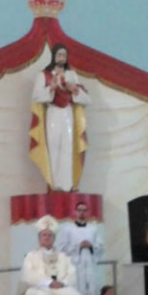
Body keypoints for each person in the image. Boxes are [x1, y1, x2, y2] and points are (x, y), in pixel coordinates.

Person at [29, 43, 91, 192]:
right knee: (54, 147)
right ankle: (54, 185)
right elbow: (36, 97)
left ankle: (67, 185)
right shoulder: (44, 75)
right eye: (59, 55)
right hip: (53, 112)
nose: (61, 58)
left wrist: (74, 90)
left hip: (68, 113)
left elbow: (88, 100)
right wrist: (51, 88)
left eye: (64, 55)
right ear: (53, 56)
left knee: (67, 148)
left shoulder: (72, 75)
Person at [56, 201, 105, 295]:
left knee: (93, 293)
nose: (82, 213)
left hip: (90, 265)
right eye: (79, 210)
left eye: (84, 210)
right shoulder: (67, 229)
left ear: (88, 212)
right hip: (76, 266)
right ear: (75, 212)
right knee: (78, 293)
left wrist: (91, 246)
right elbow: (61, 248)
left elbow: (101, 247)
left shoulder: (94, 229)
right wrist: (78, 246)